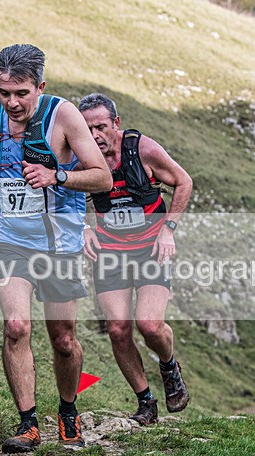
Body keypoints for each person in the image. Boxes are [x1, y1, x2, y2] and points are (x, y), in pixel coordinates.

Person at [0, 45, 111, 453]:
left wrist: (57, 176)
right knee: (16, 326)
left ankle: (68, 412)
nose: (11, 102)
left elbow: (101, 178)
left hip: (59, 242)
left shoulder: (63, 116)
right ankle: (28, 423)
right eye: (4, 92)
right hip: (8, 237)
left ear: (40, 87)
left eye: (21, 93)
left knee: (63, 338)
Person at [78, 93, 193, 425]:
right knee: (117, 329)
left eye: (101, 126)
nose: (95, 135)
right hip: (111, 252)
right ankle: (146, 402)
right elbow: (60, 192)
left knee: (149, 325)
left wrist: (168, 229)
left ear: (116, 124)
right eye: (87, 129)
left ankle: (169, 367)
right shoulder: (81, 157)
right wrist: (84, 226)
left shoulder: (143, 150)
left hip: (150, 250)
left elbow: (183, 181)